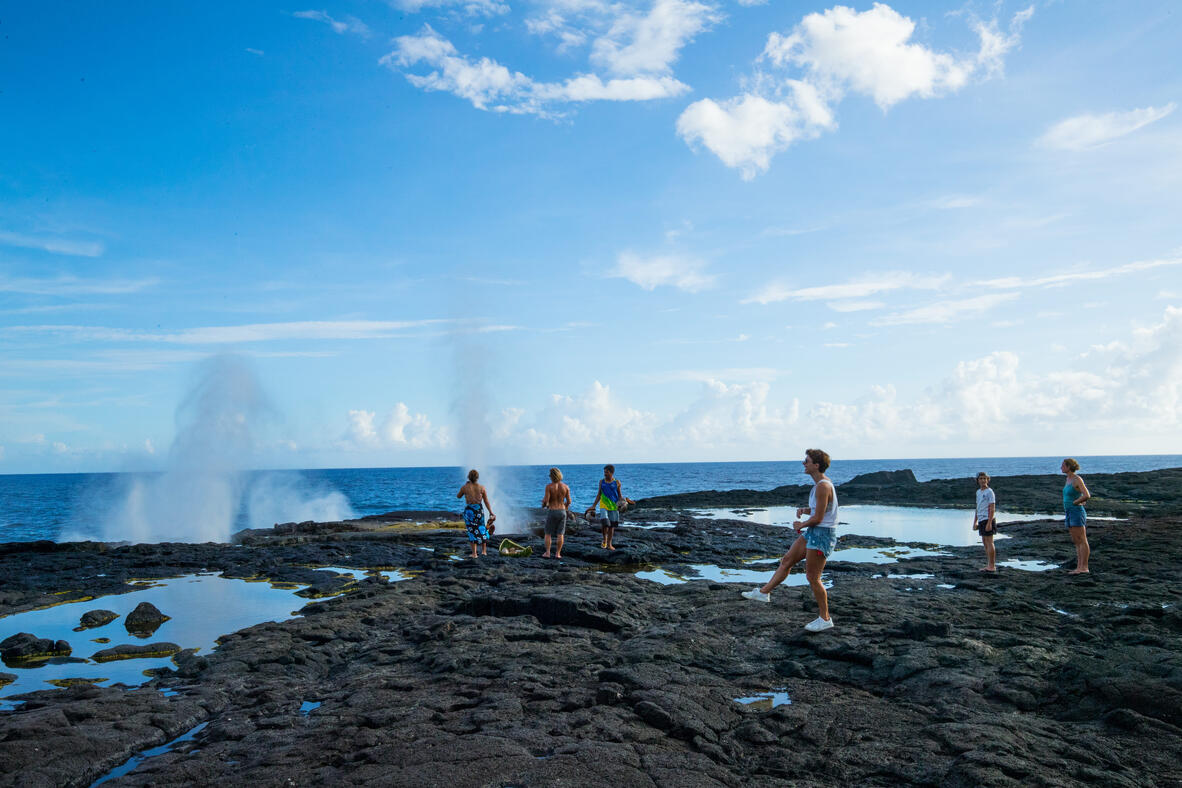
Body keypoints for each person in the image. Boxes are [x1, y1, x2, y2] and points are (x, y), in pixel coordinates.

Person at [742, 449, 837, 633]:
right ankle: (763, 593)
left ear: (816, 465)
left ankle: (825, 619)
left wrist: (801, 525)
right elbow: (821, 510)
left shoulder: (823, 486)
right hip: (814, 532)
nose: (803, 463)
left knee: (813, 578)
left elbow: (819, 518)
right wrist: (805, 510)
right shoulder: (819, 485)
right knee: (787, 560)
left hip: (822, 535)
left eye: (807, 461)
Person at [587, 464, 633, 550]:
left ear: (612, 473)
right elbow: (599, 494)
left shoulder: (617, 482)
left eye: (607, 472)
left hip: (614, 506)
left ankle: (609, 544)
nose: (605, 474)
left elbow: (619, 495)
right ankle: (604, 540)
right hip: (603, 505)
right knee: (605, 523)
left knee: (612, 526)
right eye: (604, 472)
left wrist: (625, 502)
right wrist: (593, 506)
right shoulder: (601, 482)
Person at [1061, 458, 1092, 574]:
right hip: (1068, 511)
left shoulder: (1077, 479)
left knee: (1082, 540)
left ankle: (1084, 567)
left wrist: (1076, 502)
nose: (1061, 467)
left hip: (1076, 512)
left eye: (1063, 465)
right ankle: (1079, 567)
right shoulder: (1068, 479)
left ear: (1069, 467)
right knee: (1076, 541)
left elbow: (1087, 495)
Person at [457, 469, 495, 558]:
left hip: (469, 511)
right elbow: (486, 501)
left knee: (472, 531)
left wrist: (466, 487)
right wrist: (490, 512)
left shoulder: (464, 487)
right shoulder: (482, 488)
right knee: (482, 529)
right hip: (479, 511)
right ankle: (484, 552)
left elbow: (458, 496)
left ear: (468, 477)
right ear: (477, 478)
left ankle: (474, 553)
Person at [541, 467, 571, 559]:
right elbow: (569, 501)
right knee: (560, 534)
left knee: (548, 533)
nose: (549, 476)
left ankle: (548, 553)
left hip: (552, 511)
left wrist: (543, 504)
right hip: (562, 511)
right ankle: (558, 554)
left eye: (550, 475)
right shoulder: (566, 487)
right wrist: (565, 508)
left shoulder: (549, 487)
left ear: (552, 476)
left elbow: (546, 501)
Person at [973, 472, 998, 572]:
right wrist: (975, 522)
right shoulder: (978, 492)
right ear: (978, 480)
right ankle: (989, 565)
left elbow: (992, 508)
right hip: (981, 519)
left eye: (984, 478)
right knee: (984, 542)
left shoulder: (989, 492)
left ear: (987, 480)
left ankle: (992, 566)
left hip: (988, 519)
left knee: (989, 542)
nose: (983, 480)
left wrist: (989, 523)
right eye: (981, 478)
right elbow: (977, 507)